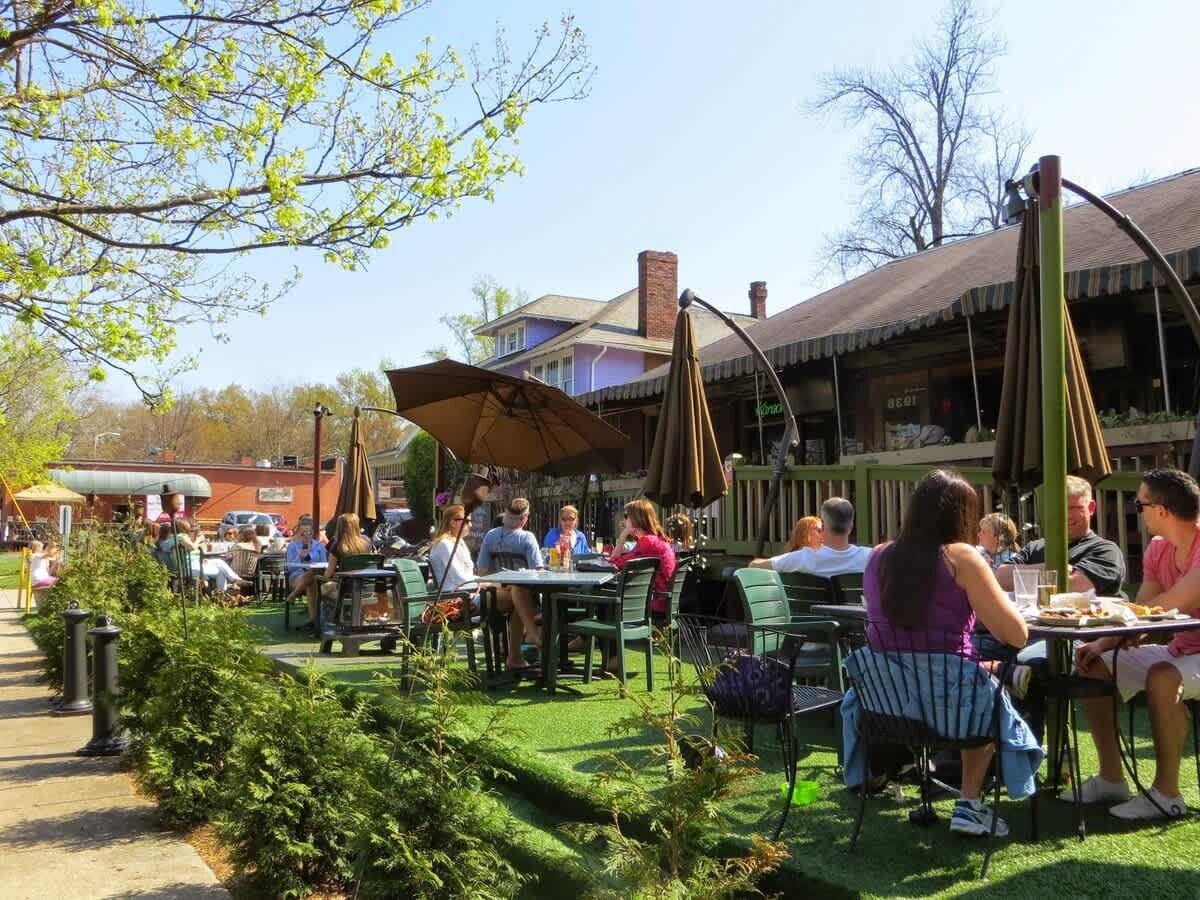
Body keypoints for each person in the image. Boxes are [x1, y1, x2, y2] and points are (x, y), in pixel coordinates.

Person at [861, 469, 1030, 837]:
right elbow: (1016, 634)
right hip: (949, 704)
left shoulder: (877, 556)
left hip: (888, 702)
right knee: (988, 693)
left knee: (974, 678)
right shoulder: (961, 557)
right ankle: (969, 803)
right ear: (963, 516)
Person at [1070, 468, 1200, 819]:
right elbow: (1142, 616)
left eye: (1138, 504)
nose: (1136, 510)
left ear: (1161, 511)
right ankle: (1112, 778)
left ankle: (1167, 794)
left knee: (1162, 675)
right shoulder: (1159, 549)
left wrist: (1122, 619)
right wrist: (1102, 644)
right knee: (1093, 664)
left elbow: (1171, 603)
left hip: (1189, 657)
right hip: (1183, 650)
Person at [996, 476, 1125, 596]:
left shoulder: (1106, 550)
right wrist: (1057, 569)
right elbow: (1001, 576)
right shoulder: (1035, 546)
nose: (1067, 515)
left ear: (1091, 508)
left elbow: (1071, 586)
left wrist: (1023, 575)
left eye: (1075, 507)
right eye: (1060, 507)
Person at [477, 498, 543, 672]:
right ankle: (532, 634)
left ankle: (515, 658)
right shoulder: (528, 538)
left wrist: (502, 583)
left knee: (517, 595)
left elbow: (482, 572)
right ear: (525, 519)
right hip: (505, 592)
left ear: (506, 515)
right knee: (519, 589)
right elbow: (538, 573)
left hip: (494, 595)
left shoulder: (491, 535)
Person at [749, 497, 869, 577]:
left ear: (822, 526)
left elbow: (753, 566)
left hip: (812, 615)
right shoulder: (870, 557)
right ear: (851, 526)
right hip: (855, 615)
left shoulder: (804, 558)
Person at [314, 512, 385, 627]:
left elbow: (328, 574)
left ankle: (325, 624)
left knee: (322, 589)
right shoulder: (367, 542)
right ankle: (356, 619)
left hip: (345, 590)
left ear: (340, 527)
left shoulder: (337, 546)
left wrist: (320, 578)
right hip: (367, 589)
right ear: (357, 525)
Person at [610, 498, 677, 618]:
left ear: (636, 519)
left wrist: (623, 536)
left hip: (654, 603)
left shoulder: (647, 543)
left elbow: (614, 563)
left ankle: (592, 636)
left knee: (607, 599)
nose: (624, 520)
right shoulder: (653, 540)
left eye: (626, 516)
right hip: (662, 600)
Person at [284, 522, 328, 607]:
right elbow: (290, 568)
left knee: (312, 578)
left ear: (312, 532)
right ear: (298, 533)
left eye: (309, 532)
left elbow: (325, 564)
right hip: (297, 576)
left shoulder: (319, 546)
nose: (306, 535)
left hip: (317, 576)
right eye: (303, 533)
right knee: (312, 578)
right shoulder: (293, 546)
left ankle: (294, 594)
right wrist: (299, 557)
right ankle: (315, 618)